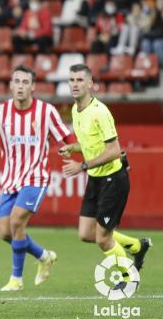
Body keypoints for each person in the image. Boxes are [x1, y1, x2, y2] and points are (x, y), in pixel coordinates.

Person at [0, 66, 75, 291]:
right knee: (5, 232)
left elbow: (67, 137)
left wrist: (84, 154)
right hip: (11, 180)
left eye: (25, 82)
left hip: (36, 177)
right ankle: (44, 256)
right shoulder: (0, 111)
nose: (20, 86)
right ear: (11, 85)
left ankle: (16, 279)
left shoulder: (46, 112)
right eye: (16, 81)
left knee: (17, 221)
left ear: (33, 86)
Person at [59, 64, 152, 287]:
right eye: (71, 80)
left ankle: (129, 278)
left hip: (113, 179)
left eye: (80, 80)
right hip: (96, 178)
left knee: (102, 238)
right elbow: (92, 144)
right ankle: (138, 247)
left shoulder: (99, 111)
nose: (74, 84)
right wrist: (74, 147)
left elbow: (113, 150)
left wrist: (81, 166)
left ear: (90, 84)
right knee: (85, 233)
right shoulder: (75, 109)